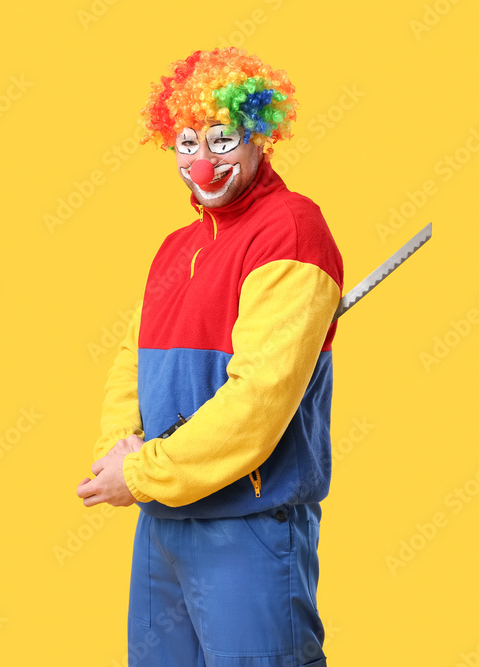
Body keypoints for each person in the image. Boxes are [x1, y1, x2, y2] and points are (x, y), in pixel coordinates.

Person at [75, 47, 343, 666]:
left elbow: (258, 399)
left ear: (259, 137)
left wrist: (139, 474)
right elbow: (133, 361)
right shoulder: (176, 247)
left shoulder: (291, 229)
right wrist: (119, 445)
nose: (202, 161)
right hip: (163, 521)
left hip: (248, 522)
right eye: (187, 142)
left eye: (222, 140)